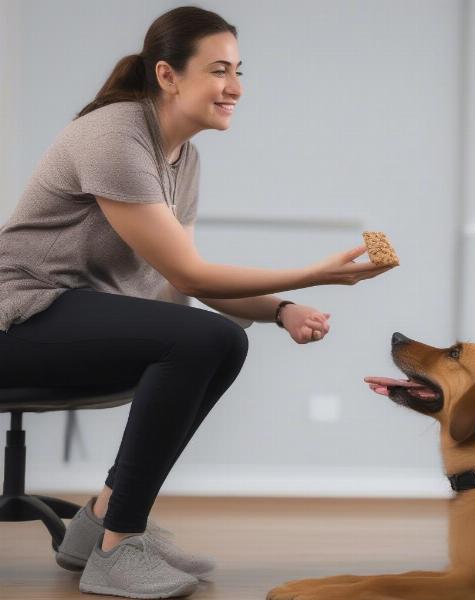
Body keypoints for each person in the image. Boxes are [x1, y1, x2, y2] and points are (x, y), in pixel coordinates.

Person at [0, 5, 395, 599]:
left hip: (69, 316)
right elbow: (188, 269)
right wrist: (314, 275)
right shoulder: (114, 136)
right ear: (167, 75)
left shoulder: (182, 158)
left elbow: (184, 282)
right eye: (218, 70)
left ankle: (105, 521)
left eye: (239, 70)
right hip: (20, 317)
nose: (235, 87)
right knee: (206, 337)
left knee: (220, 342)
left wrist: (280, 309)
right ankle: (118, 546)